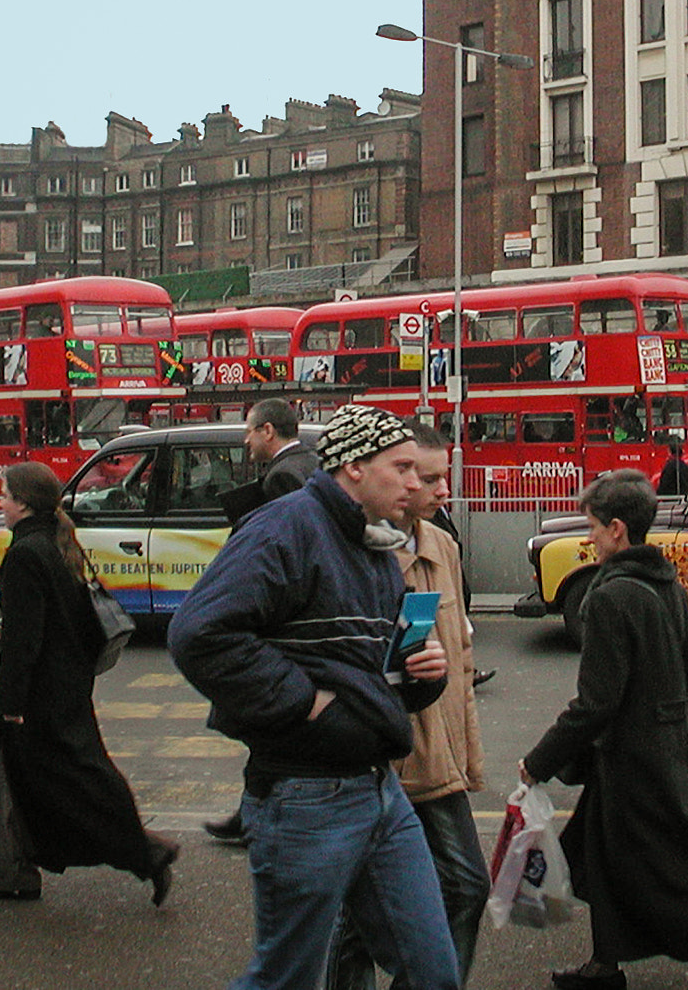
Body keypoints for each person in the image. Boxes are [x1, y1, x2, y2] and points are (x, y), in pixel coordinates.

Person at [169, 403, 459, 990]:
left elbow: (364, 669)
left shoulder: (375, 545)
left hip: (379, 789)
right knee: (288, 978)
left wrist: (420, 674)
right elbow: (199, 634)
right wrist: (308, 704)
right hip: (305, 797)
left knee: (433, 973)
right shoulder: (287, 528)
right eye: (401, 467)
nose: (415, 482)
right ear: (353, 467)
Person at [520, 471, 688, 990]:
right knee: (603, 855)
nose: (588, 537)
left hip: (630, 758)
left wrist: (539, 762)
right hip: (659, 748)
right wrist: (681, 741)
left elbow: (595, 703)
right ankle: (604, 966)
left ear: (616, 530)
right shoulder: (668, 586)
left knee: (665, 868)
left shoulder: (610, 598)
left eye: (593, 527)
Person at [0, 461, 178, 905]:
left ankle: (145, 853)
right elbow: (64, 617)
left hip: (37, 695)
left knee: (69, 787)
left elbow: (25, 643)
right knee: (72, 777)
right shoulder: (58, 543)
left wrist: (9, 702)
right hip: (67, 683)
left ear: (23, 504)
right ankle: (12, 874)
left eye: (4, 495)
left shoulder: (24, 554)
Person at [330, 422, 488, 990]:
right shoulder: (351, 551)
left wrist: (465, 748)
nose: (444, 490)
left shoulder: (441, 543)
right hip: (379, 756)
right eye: (430, 477)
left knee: (462, 888)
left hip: (435, 752)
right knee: (357, 914)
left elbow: (462, 654)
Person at [208, 396, 324, 844]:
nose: (246, 439)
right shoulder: (309, 461)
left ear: (269, 432)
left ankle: (257, 817)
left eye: (250, 430)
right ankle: (251, 814)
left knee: (269, 728)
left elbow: (286, 551)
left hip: (286, 626)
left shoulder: (282, 477)